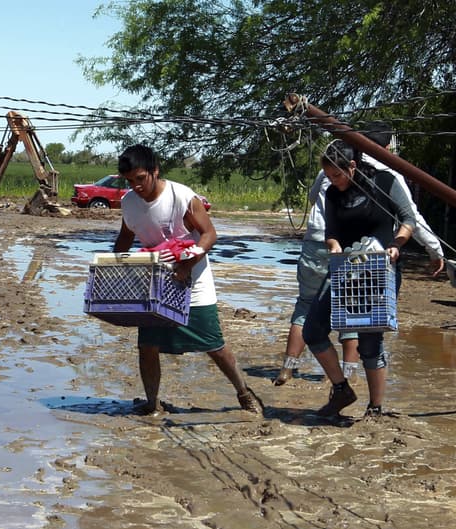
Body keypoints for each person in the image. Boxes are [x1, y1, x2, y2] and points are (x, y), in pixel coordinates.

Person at [112, 144, 263, 416]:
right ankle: (152, 403)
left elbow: (209, 235)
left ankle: (244, 392)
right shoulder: (129, 203)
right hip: (155, 283)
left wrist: (188, 264)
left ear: (155, 171)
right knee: (147, 346)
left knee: (213, 344)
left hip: (193, 281)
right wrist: (114, 267)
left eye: (140, 179)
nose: (136, 186)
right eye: (129, 181)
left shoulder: (181, 197)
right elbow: (125, 237)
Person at [303, 140, 416, 419]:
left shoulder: (384, 182)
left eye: (337, 175)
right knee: (313, 329)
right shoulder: (332, 194)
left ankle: (375, 407)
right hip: (345, 269)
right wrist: (334, 247)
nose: (333, 181)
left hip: (380, 269)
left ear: (352, 166)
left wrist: (397, 245)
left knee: (369, 340)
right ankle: (341, 388)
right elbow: (331, 232)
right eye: (329, 176)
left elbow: (408, 219)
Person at [274, 169, 360, 385]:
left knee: (305, 306)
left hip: (315, 241)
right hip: (346, 243)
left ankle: (288, 368)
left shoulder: (325, 171)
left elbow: (313, 198)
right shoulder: (370, 173)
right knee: (349, 309)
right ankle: (348, 373)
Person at [358, 122, 445, 278]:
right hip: (376, 255)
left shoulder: (339, 166)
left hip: (333, 251)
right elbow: (411, 218)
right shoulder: (391, 176)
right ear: (387, 148)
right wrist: (435, 251)